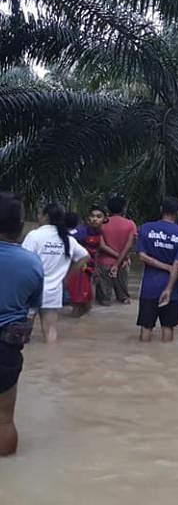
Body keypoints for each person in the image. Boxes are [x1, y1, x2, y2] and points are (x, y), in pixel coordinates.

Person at [0, 192, 44, 456]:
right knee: (4, 419)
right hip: (6, 348)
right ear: (19, 226)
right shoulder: (32, 263)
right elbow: (32, 305)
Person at [22, 203, 89, 342]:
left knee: (23, 334)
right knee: (50, 331)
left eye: (40, 214)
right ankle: (51, 359)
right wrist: (67, 276)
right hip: (54, 291)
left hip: (31, 290)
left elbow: (23, 261)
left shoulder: (34, 236)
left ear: (46, 216)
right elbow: (85, 257)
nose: (38, 216)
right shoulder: (68, 239)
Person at [136, 197, 178, 342]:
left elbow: (141, 256)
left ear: (161, 209)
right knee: (167, 327)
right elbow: (177, 265)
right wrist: (168, 289)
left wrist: (162, 265)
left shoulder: (145, 228)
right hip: (171, 289)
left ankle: (141, 356)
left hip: (149, 287)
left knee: (146, 326)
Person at [67, 205, 114, 317]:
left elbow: (96, 252)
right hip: (79, 272)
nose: (94, 219)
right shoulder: (81, 232)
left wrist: (95, 270)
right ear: (88, 218)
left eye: (98, 216)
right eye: (92, 216)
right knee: (79, 304)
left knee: (87, 305)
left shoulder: (98, 232)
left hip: (89, 271)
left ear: (104, 219)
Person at [97, 195, 137, 306]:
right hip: (123, 264)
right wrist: (121, 258)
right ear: (123, 208)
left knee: (104, 300)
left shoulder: (102, 224)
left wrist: (117, 257)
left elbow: (102, 246)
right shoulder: (130, 224)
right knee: (124, 298)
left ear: (108, 208)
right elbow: (129, 246)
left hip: (104, 263)